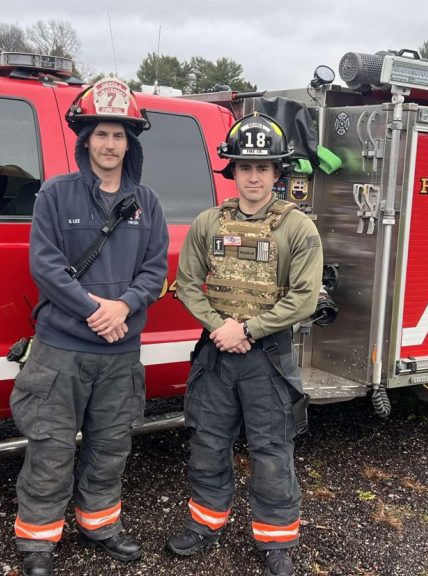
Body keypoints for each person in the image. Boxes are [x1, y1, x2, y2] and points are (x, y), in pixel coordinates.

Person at [11, 77, 169, 576]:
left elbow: (155, 268)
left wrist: (123, 307)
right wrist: (93, 310)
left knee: (110, 444)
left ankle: (99, 525)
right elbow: (46, 265)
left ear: (131, 142)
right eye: (101, 134)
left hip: (119, 352)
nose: (109, 144)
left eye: (119, 135)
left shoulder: (149, 202)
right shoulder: (56, 195)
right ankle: (37, 542)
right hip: (61, 350)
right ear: (85, 140)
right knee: (52, 446)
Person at [168, 112, 323, 576]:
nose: (253, 177)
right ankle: (205, 522)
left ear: (278, 173)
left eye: (263, 168)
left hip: (267, 359)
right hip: (216, 354)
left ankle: (275, 540)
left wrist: (248, 330)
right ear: (231, 171)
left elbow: (304, 297)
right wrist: (220, 327)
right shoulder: (207, 223)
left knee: (272, 450)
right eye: (244, 167)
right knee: (208, 442)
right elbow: (188, 283)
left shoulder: (298, 229)